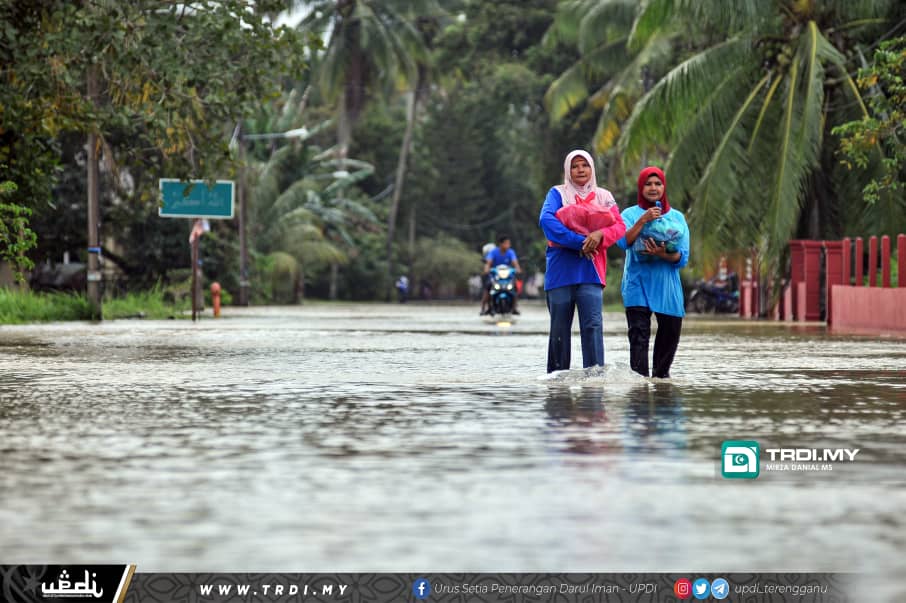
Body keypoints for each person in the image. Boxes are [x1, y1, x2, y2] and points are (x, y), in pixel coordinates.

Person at [539, 150, 626, 372]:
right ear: (568, 170)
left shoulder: (604, 196)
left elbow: (619, 226)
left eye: (585, 165)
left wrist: (599, 236)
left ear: (592, 169)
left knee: (593, 326)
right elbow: (546, 220)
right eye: (575, 166)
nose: (580, 170)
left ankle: (595, 378)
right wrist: (581, 242)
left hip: (591, 269)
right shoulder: (557, 193)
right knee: (559, 328)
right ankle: (557, 380)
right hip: (561, 270)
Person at [615, 166, 690, 378]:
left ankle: (660, 389)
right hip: (637, 284)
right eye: (648, 184)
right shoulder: (629, 214)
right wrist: (643, 220)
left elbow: (682, 257)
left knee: (669, 337)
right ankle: (639, 394)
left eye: (658, 183)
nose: (653, 188)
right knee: (638, 338)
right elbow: (622, 242)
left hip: (667, 285)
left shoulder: (677, 218)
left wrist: (662, 253)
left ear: (664, 187)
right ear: (641, 187)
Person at [480, 234, 522, 315]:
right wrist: (486, 269)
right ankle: (483, 307)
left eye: (509, 243)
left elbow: (515, 263)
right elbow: (488, 263)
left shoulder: (511, 252)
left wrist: (518, 269)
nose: (508, 245)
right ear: (501, 244)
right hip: (495, 276)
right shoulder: (493, 252)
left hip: (508, 276)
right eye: (506, 243)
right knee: (488, 287)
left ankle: (514, 308)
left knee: (515, 288)